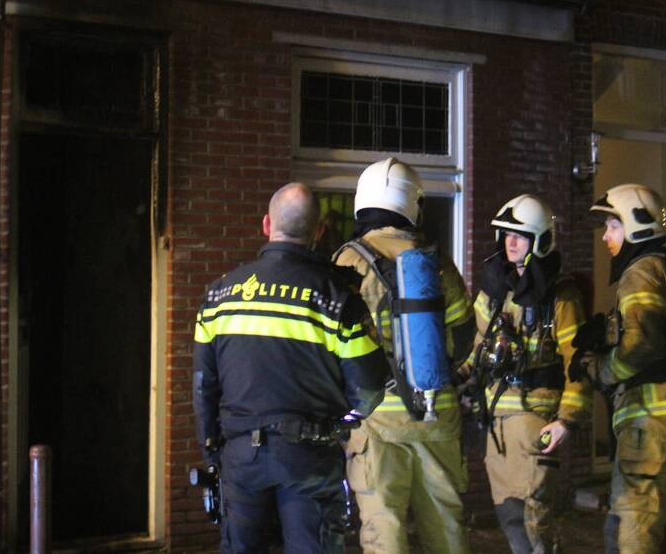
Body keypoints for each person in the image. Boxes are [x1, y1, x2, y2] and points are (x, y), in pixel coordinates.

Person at [193, 182, 389, 554]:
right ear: (319, 231)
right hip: (309, 460)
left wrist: (213, 451)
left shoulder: (219, 295)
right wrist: (339, 422)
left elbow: (204, 386)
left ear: (267, 224)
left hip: (241, 458)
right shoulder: (338, 298)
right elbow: (369, 389)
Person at [333, 157, 475, 554]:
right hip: (435, 413)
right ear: (413, 203)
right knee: (446, 528)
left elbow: (332, 345)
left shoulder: (347, 261)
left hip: (376, 420)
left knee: (385, 529)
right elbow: (464, 337)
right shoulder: (435, 260)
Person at [570, 183, 666, 554]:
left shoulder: (641, 271)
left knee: (631, 536)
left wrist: (599, 369)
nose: (606, 237)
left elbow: (643, 344)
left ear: (636, 225)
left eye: (613, 226)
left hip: (650, 426)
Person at [460, 194, 592, 554]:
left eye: (519, 236)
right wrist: (456, 381)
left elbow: (578, 360)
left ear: (541, 240)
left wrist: (567, 420)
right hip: (496, 423)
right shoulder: (494, 290)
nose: (510, 242)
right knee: (509, 516)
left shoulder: (560, 296)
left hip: (537, 420)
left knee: (535, 518)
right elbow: (475, 347)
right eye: (506, 235)